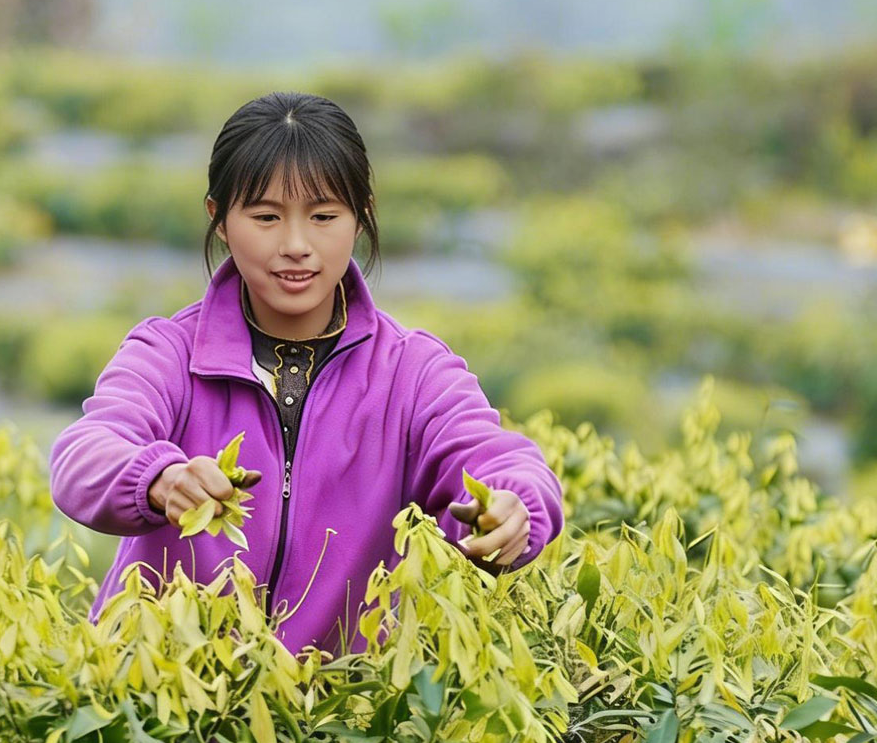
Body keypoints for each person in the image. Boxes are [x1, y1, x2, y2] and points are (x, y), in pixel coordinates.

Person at [47, 90, 565, 656]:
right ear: (219, 219)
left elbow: (501, 461)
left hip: (332, 724)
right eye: (266, 217)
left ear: (361, 215)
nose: (296, 246)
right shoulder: (168, 353)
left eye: (323, 217)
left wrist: (514, 508)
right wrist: (158, 479)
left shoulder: (413, 374)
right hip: (155, 715)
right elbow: (84, 456)